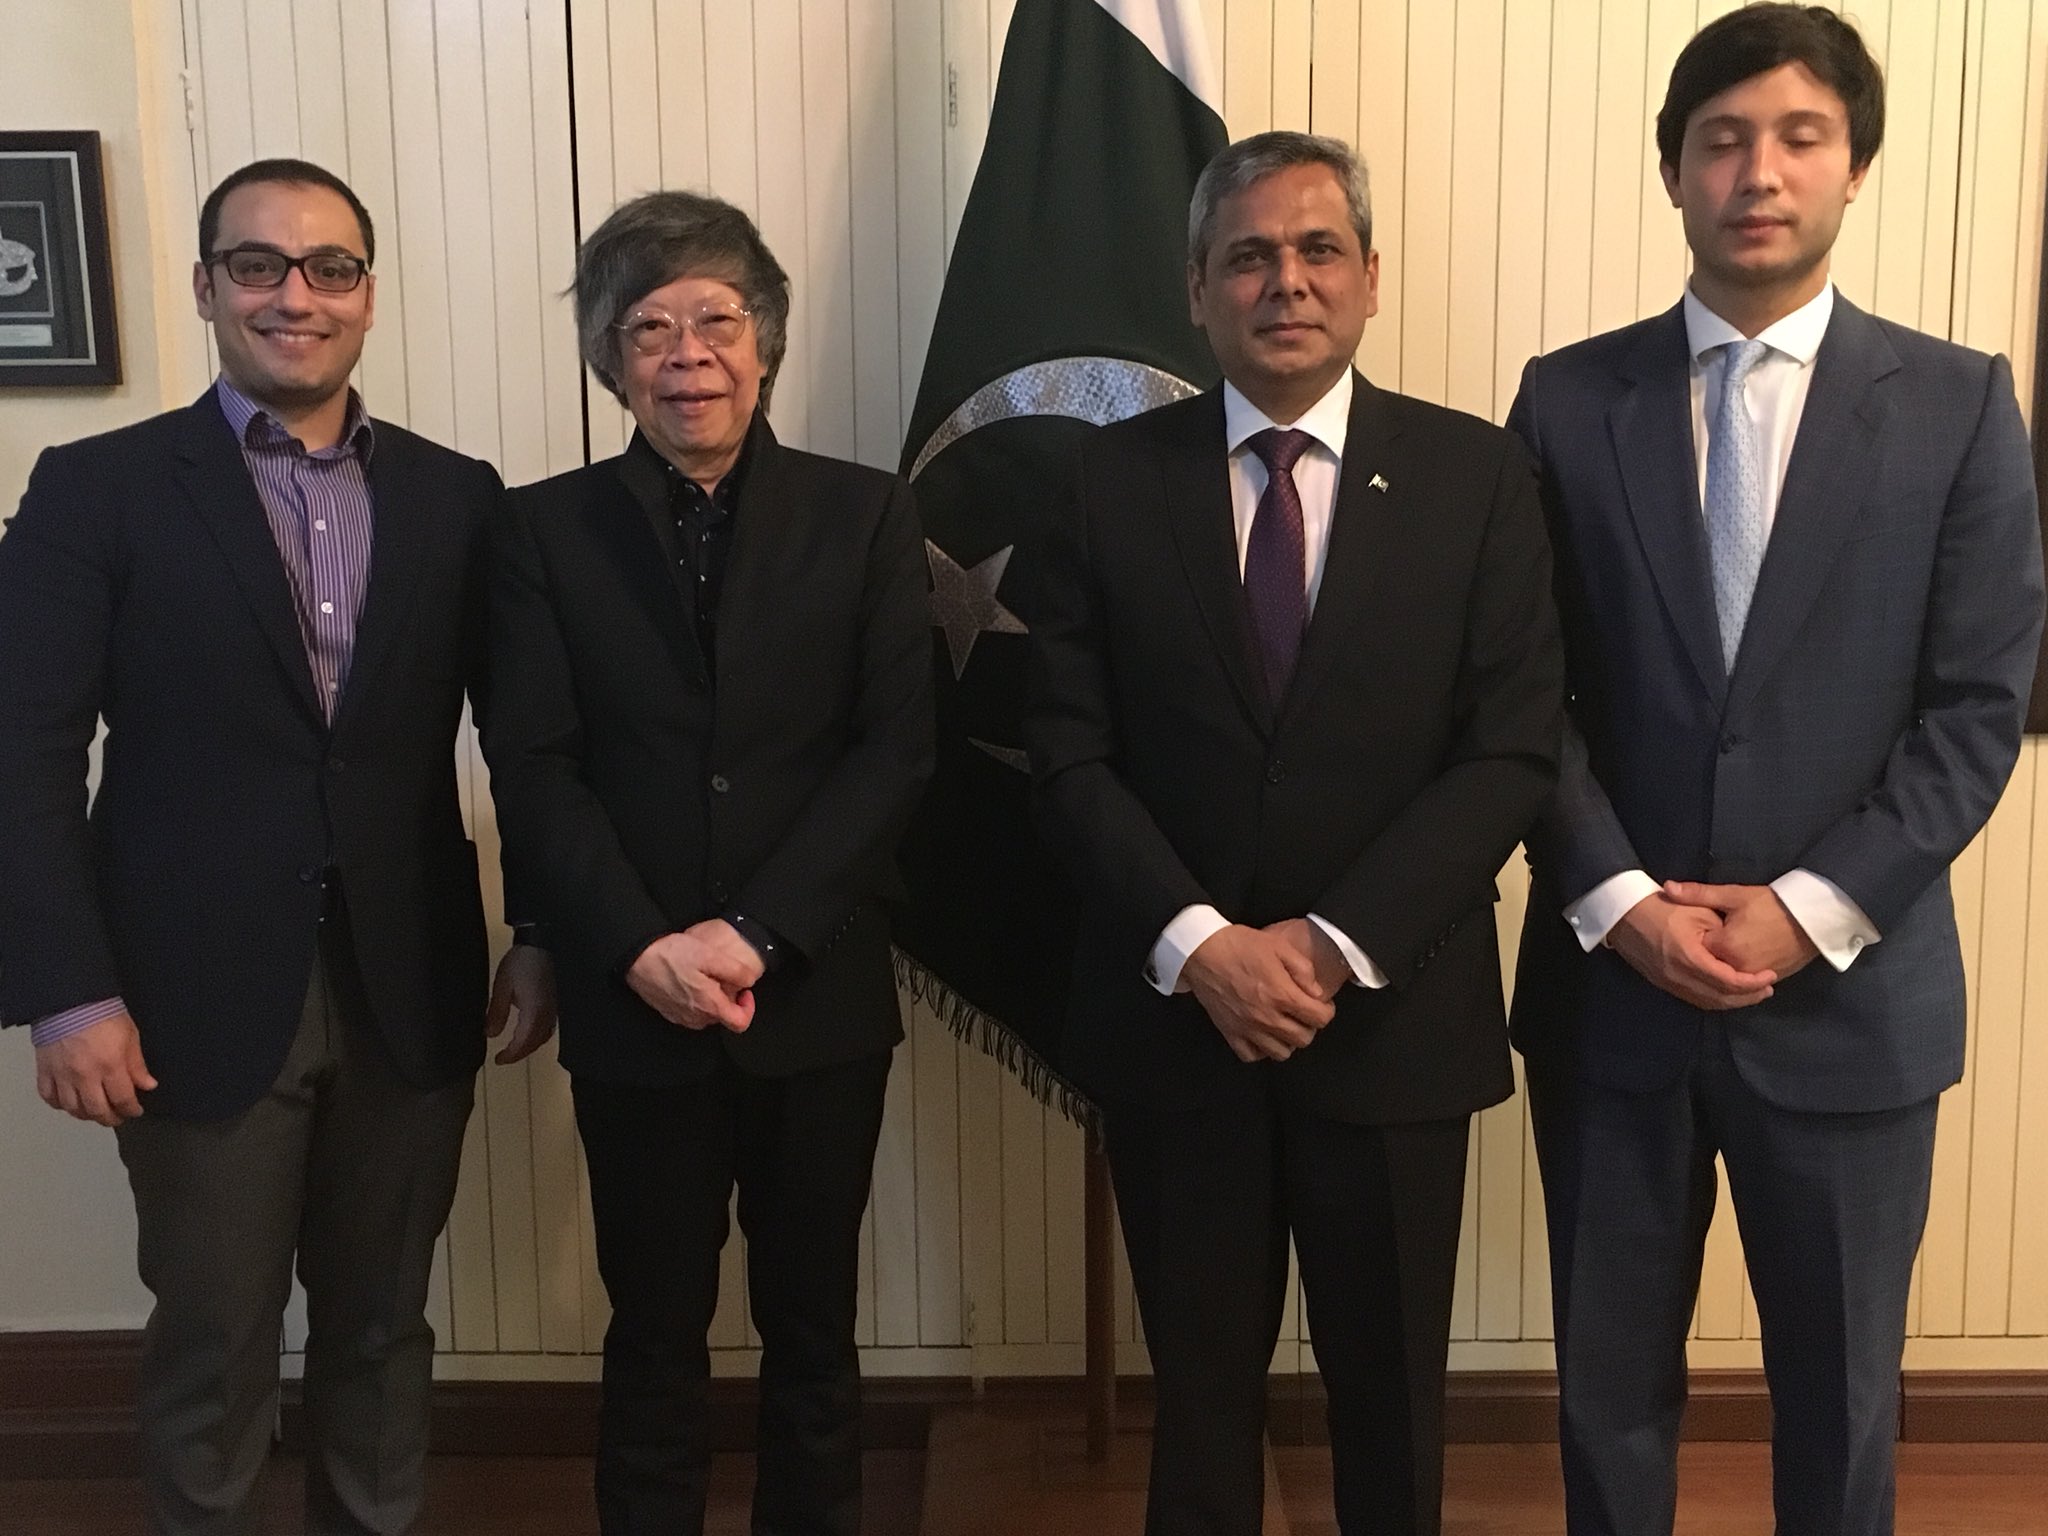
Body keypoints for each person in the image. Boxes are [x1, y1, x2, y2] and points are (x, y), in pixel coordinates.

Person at [1506, 8, 2047, 1534]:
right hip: (1617, 993)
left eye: (1801, 137)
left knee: (1843, 1394)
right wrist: (1619, 900)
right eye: (1723, 140)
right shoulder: (1566, 401)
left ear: (1855, 165)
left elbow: (1976, 709)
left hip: (1852, 1004)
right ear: (1673, 170)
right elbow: (1518, 692)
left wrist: (1808, 909)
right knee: (1607, 1392)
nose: (1760, 171)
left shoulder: (1957, 405)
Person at [0, 158, 556, 1535]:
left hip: (410, 984)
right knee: (215, 1336)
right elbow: (22, 750)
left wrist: (542, 931)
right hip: (183, 996)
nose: (294, 295)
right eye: (258, 265)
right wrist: (66, 991)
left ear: (368, 296)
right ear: (206, 287)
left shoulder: (458, 496)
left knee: (382, 1326)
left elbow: (530, 739)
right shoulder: (94, 488)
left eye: (329, 268)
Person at [1025, 131, 1564, 1536]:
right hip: (1177, 1022)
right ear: (1196, 288)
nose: (1288, 282)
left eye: (1320, 249)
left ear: (1372, 276)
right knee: (1200, 1400)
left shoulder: (1477, 476)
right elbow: (1065, 752)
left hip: (1393, 1017)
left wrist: (1328, 948)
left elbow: (1509, 751)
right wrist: (1203, 946)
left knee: (1392, 1399)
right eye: (1249, 256)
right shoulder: (1103, 481)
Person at [480, 190, 934, 1536]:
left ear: (765, 342)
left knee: (815, 1328)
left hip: (816, 996)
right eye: (649, 327)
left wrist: (757, 932)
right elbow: (536, 767)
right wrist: (637, 947)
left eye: (718, 320)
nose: (689, 354)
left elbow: (897, 752)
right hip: (634, 1005)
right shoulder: (541, 532)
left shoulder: (866, 514)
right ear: (611, 360)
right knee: (652, 1331)